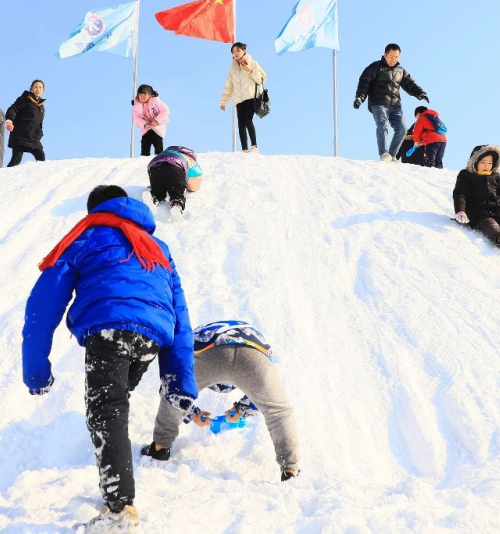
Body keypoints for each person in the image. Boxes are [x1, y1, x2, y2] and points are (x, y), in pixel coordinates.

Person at [21, 185, 197, 528]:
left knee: (107, 410)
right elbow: (181, 313)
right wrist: (179, 376)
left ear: (95, 211)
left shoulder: (88, 235)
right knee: (111, 406)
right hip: (150, 339)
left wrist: (36, 370)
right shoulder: (158, 247)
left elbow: (43, 305)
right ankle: (116, 494)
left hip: (109, 331)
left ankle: (120, 510)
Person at [139, 320, 300, 482]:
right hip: (254, 352)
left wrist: (192, 413)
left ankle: (160, 447)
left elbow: (173, 386)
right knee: (278, 412)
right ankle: (290, 470)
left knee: (174, 393)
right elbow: (263, 392)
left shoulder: (197, 335)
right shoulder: (254, 335)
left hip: (206, 349)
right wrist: (240, 410)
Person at [353, 44, 429, 161]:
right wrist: (360, 98)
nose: (393, 60)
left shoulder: (400, 71)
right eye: (391, 57)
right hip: (378, 103)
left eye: (396, 57)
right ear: (385, 55)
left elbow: (410, 84)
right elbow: (364, 83)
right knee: (382, 125)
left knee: (402, 128)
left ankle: (392, 156)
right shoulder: (375, 67)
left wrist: (420, 93)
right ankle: (384, 153)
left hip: (395, 105)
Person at [220, 42, 266, 153]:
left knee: (248, 120)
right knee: (240, 123)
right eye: (233, 51)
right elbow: (229, 87)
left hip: (250, 96)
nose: (236, 53)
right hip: (238, 100)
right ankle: (244, 149)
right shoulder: (232, 70)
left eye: (238, 50)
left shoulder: (253, 63)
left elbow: (261, 79)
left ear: (244, 51)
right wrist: (224, 101)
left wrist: (250, 70)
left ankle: (254, 146)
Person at [146, 146, 202, 216]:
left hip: (155, 166)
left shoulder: (164, 153)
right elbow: (195, 179)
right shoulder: (190, 159)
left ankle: (153, 197)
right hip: (175, 167)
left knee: (158, 190)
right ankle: (177, 205)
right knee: (177, 190)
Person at [5, 79, 47, 166]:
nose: (38, 89)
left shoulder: (41, 107)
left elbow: (39, 124)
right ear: (31, 88)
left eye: (40, 87)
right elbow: (13, 109)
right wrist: (9, 121)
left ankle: (40, 178)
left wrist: (40, 134)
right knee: (16, 159)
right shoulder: (25, 99)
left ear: (43, 90)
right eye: (35, 87)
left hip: (33, 138)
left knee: (41, 157)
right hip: (20, 135)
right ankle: (5, 178)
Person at [132, 84, 170, 156]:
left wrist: (157, 120)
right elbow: (136, 117)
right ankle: (144, 157)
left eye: (144, 95)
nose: (142, 97)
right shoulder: (136, 105)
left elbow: (165, 110)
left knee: (157, 142)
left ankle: (159, 157)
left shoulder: (155, 101)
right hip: (146, 128)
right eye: (140, 95)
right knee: (145, 142)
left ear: (150, 94)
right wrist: (144, 124)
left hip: (157, 127)